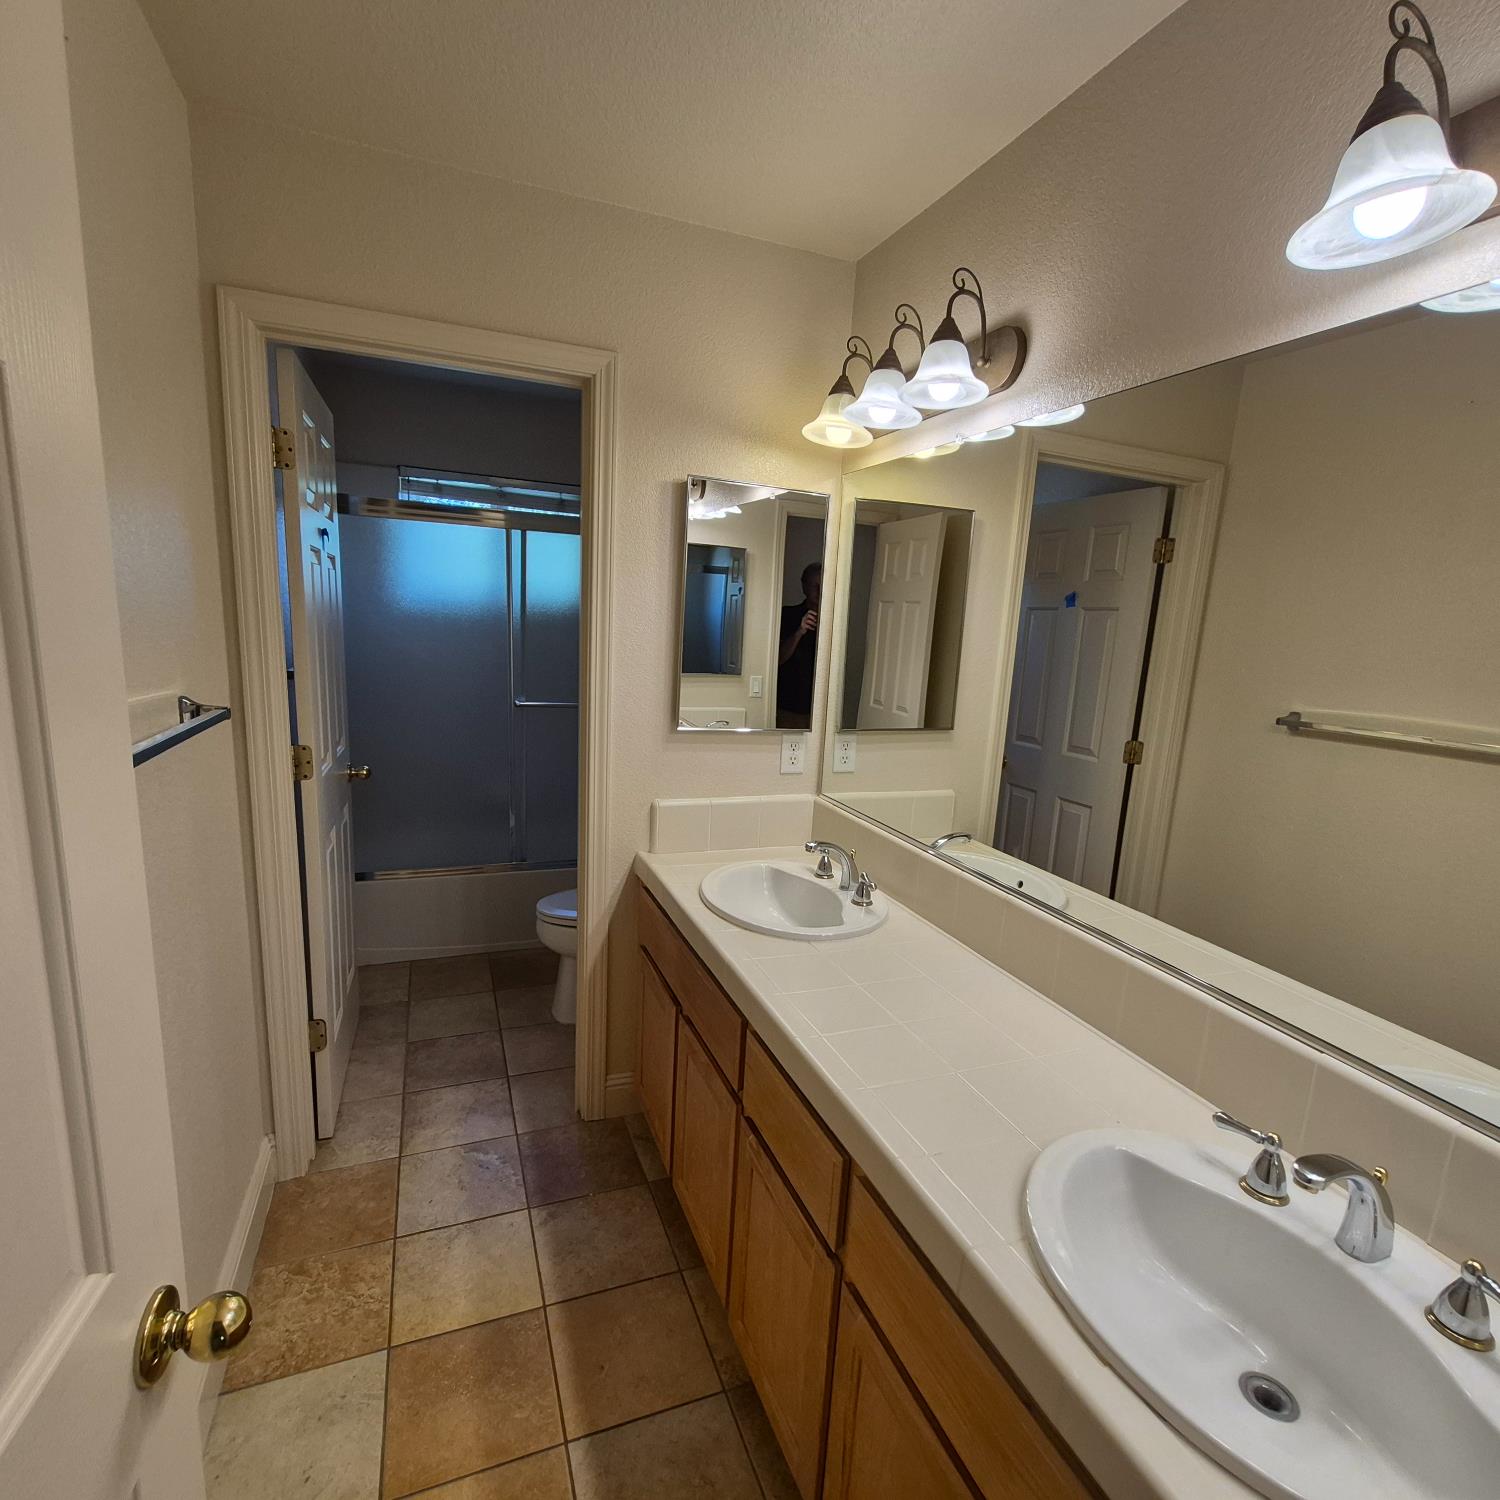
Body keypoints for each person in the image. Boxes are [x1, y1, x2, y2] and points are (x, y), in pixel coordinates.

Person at [776, 563, 821, 729]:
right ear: (804, 587)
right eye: (814, 586)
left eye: (822, 585)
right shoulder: (787, 615)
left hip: (821, 708)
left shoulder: (835, 620)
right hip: (788, 703)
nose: (819, 591)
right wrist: (799, 632)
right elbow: (778, 659)